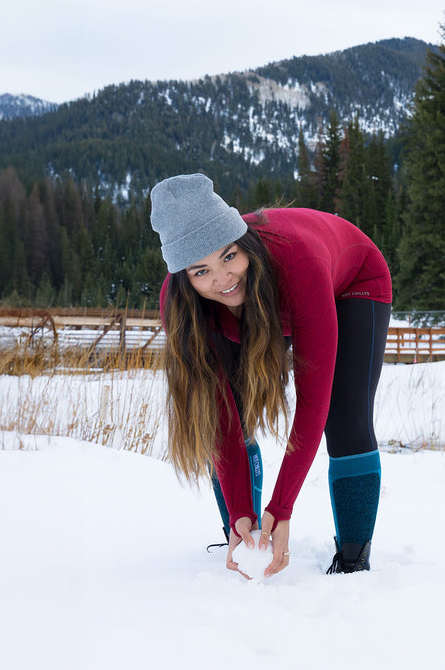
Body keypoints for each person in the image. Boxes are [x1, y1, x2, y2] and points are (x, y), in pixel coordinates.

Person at [149, 173, 392, 577]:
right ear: (183, 279)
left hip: (351, 280)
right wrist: (244, 512)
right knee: (229, 412)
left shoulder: (299, 261)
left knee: (344, 415)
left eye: (229, 256)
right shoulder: (182, 306)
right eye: (201, 271)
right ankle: (242, 536)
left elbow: (315, 400)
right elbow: (220, 415)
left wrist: (281, 508)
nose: (223, 279)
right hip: (267, 305)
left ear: (243, 243)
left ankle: (353, 560)